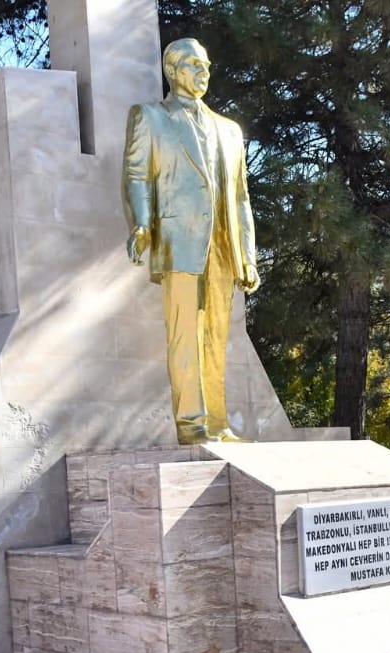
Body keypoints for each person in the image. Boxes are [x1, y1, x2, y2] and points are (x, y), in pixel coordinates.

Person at [122, 38, 260, 444]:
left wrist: (247, 256)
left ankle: (218, 422)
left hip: (223, 247)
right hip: (178, 241)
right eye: (194, 65)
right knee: (185, 336)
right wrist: (142, 224)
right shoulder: (150, 117)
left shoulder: (230, 131)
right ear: (172, 70)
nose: (204, 72)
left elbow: (240, 197)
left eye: (207, 65)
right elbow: (136, 174)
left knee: (216, 338)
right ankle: (191, 424)